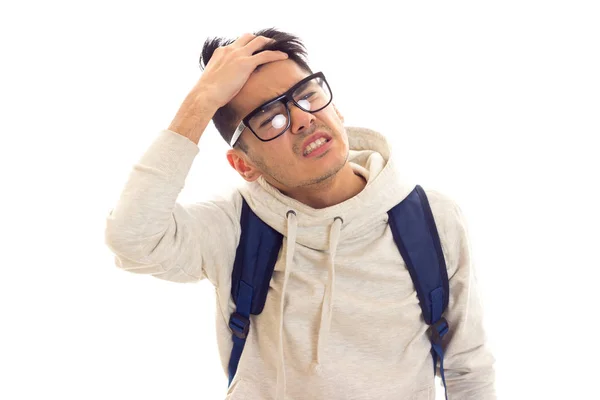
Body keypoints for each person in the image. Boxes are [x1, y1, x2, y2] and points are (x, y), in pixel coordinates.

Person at [104, 27, 496, 400]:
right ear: (244, 166)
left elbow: (467, 368)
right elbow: (133, 240)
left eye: (306, 97)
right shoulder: (235, 227)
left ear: (337, 110)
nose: (303, 119)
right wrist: (200, 101)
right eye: (272, 119)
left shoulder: (431, 219)